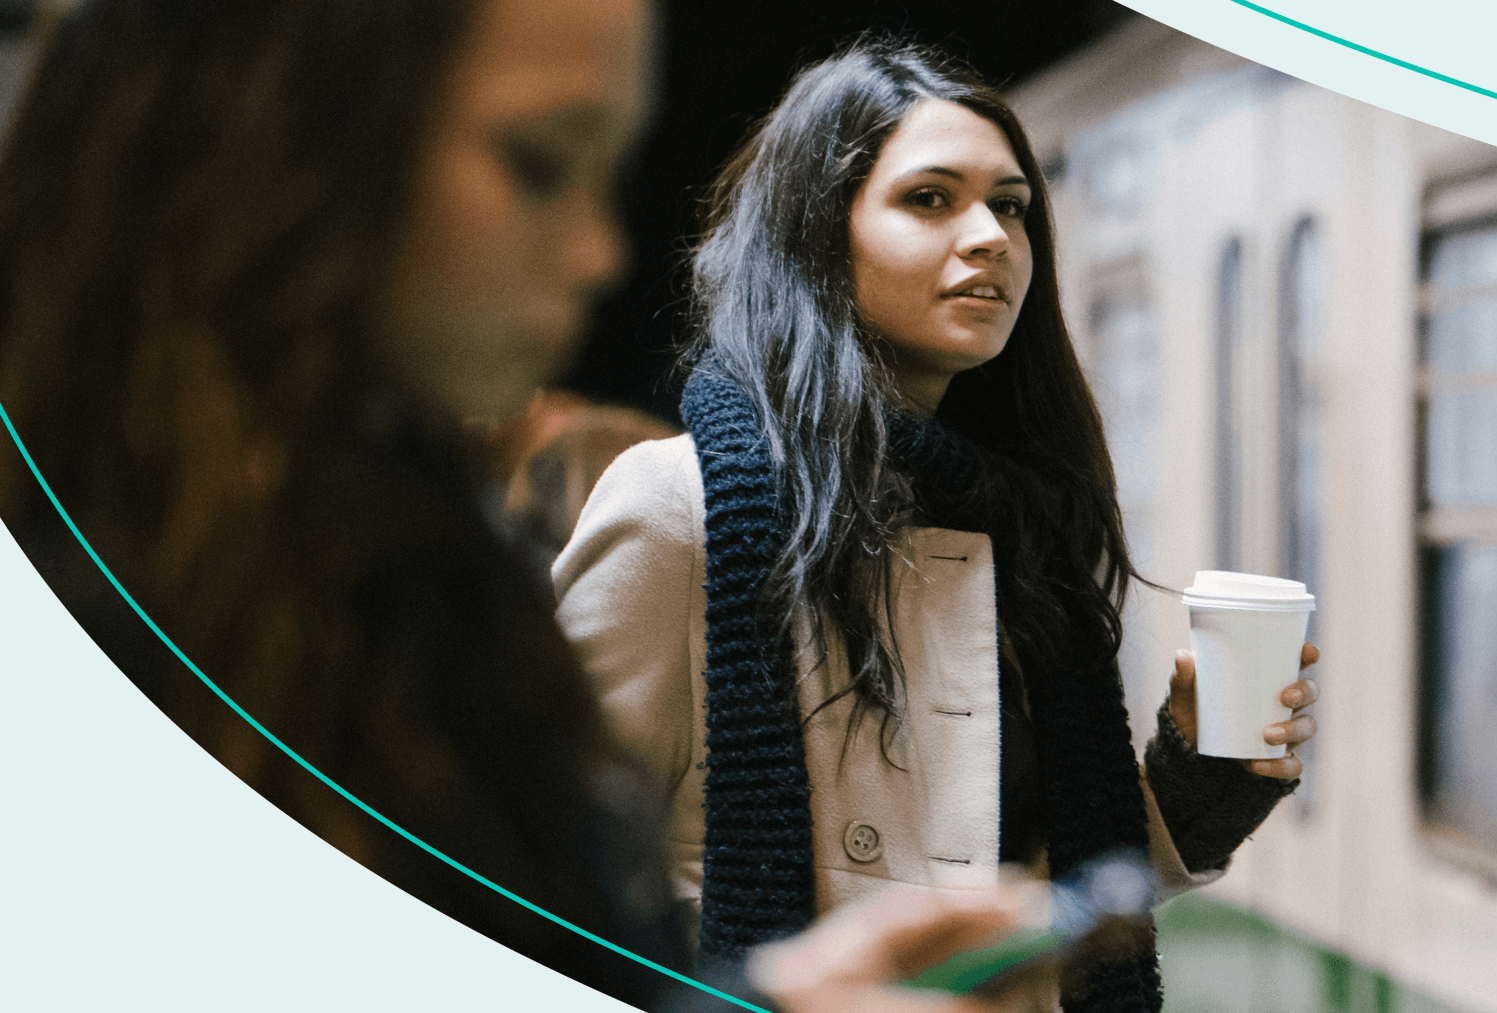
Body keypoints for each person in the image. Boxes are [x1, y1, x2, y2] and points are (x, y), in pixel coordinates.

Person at [0, 3, 1028, 1011]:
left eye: (1015, 206)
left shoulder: (405, 551)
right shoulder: (103, 604)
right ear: (277, 126)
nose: (600, 253)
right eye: (538, 161)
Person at [553, 37, 1320, 1013]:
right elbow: (543, 878)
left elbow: (1013, 885)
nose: (992, 235)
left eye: (1010, 204)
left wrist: (1200, 775)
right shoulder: (684, 505)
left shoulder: (1017, 518)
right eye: (930, 198)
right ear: (821, 235)